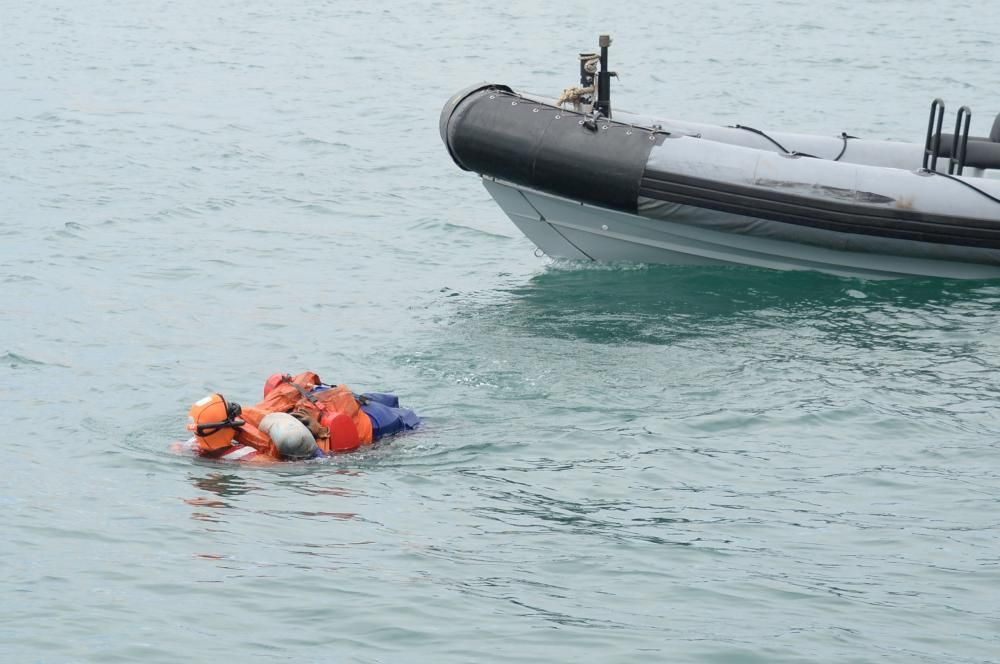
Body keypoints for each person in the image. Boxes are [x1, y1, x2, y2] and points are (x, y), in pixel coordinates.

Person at [179, 371, 420, 462]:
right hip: (329, 400)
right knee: (387, 403)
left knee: (415, 422)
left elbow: (314, 460)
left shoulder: (194, 447)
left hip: (368, 422)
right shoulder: (246, 422)